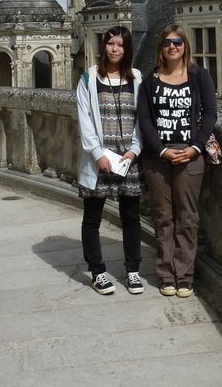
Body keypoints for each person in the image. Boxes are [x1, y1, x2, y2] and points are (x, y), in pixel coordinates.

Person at [138, 24, 218, 298]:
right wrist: (161, 150)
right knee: (163, 216)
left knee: (187, 217)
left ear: (185, 45)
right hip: (158, 156)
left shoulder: (199, 76)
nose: (172, 46)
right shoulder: (150, 80)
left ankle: (184, 277)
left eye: (177, 42)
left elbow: (210, 114)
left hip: (189, 154)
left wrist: (195, 147)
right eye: (167, 43)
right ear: (160, 48)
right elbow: (145, 120)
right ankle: (166, 275)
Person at [76, 26, 145, 295]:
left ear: (127, 49)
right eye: (110, 44)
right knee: (92, 218)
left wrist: (134, 151)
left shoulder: (136, 78)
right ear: (103, 47)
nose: (115, 49)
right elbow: (84, 120)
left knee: (131, 217)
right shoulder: (88, 79)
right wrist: (98, 154)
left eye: (121, 45)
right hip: (99, 161)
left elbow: (142, 120)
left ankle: (133, 270)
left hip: (128, 159)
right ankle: (98, 272)